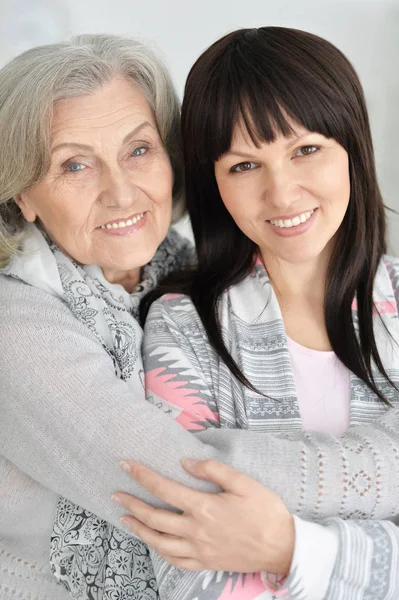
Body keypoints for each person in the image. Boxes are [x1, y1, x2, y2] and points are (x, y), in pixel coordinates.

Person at [1, 31, 399, 600]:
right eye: (74, 165)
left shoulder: (178, 268)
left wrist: (294, 550)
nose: (121, 192)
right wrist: (296, 546)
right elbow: (186, 488)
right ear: (23, 196)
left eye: (138, 150)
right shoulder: (18, 325)